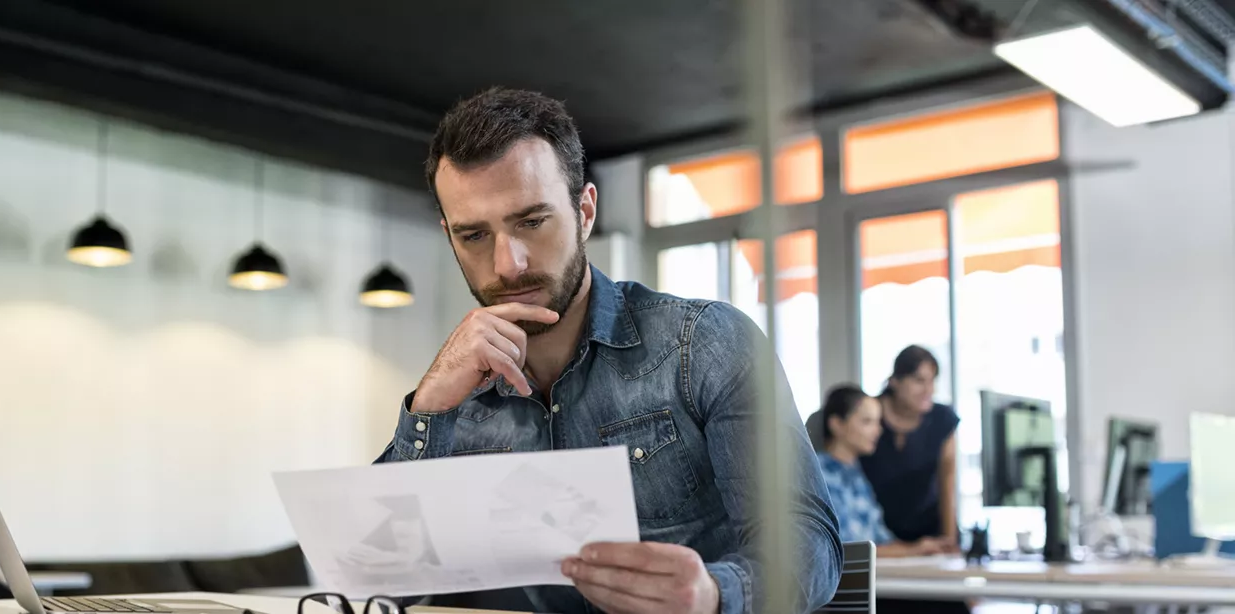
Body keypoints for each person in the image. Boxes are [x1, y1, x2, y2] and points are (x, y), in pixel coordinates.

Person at [374, 87, 842, 614]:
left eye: (532, 221)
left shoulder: (704, 344)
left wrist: (713, 594)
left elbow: (811, 547)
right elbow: (384, 581)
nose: (508, 264)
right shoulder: (458, 393)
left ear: (586, 210)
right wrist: (429, 406)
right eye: (475, 235)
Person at [816, 385, 951, 557]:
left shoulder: (856, 475)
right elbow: (851, 550)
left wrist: (921, 547)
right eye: (867, 422)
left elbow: (881, 539)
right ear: (836, 425)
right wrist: (914, 550)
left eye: (878, 422)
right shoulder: (821, 476)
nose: (878, 431)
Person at [860, 345, 960, 549]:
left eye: (932, 381)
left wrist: (949, 542)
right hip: (881, 537)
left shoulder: (942, 419)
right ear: (895, 381)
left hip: (929, 534)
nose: (928, 390)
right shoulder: (869, 415)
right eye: (919, 380)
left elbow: (947, 482)